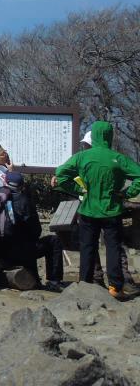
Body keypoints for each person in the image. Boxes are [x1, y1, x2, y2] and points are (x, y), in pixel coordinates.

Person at [53, 120, 140, 300]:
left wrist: (78, 189)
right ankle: (115, 287)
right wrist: (127, 193)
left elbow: (61, 173)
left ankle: (85, 284)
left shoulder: (82, 156)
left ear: (93, 136)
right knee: (113, 248)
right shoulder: (118, 158)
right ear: (109, 136)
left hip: (88, 209)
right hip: (112, 209)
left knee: (87, 247)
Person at [0, 171, 64, 289]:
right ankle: (54, 281)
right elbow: (36, 231)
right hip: (20, 252)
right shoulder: (24, 201)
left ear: (5, 182)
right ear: (22, 186)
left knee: (26, 242)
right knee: (54, 241)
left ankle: (32, 278)